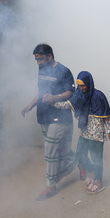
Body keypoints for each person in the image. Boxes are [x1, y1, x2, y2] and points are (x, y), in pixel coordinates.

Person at [21, 43, 77, 201]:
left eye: (40, 59)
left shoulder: (63, 70)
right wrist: (30, 105)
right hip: (44, 115)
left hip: (60, 116)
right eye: (36, 60)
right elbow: (42, 91)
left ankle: (51, 186)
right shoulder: (41, 70)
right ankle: (80, 164)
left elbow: (71, 91)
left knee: (50, 150)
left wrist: (55, 98)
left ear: (50, 56)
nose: (38, 62)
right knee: (63, 149)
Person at [52, 71, 110, 194]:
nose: (81, 88)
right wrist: (53, 102)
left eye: (83, 85)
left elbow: (106, 116)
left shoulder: (99, 96)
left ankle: (99, 181)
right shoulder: (79, 95)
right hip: (85, 131)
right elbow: (67, 105)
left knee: (97, 157)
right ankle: (91, 171)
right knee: (80, 154)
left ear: (89, 83)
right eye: (79, 85)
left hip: (97, 133)